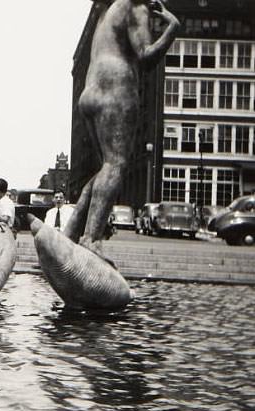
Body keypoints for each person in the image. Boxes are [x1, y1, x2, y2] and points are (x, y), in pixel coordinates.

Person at [63, 0, 179, 259]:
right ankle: (90, 240)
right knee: (115, 165)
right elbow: (146, 56)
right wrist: (172, 27)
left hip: (90, 91)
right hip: (116, 88)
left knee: (106, 166)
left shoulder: (106, 12)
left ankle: (70, 232)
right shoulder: (135, 6)